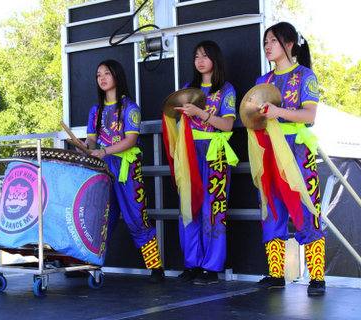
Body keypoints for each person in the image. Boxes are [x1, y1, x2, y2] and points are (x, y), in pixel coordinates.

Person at [248, 22, 326, 296]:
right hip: (269, 150)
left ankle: (317, 277)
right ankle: (275, 274)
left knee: (306, 207)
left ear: (290, 44)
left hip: (297, 153)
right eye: (265, 42)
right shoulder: (262, 81)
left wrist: (278, 112)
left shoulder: (306, 76)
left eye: (273, 41)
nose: (267, 46)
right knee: (271, 207)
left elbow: (309, 116)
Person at [164, 40, 238, 285]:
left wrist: (200, 114)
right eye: (196, 56)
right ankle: (192, 263)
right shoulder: (188, 89)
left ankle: (211, 267)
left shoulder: (226, 89)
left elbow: (227, 125)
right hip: (189, 153)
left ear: (215, 59)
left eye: (205, 55)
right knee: (189, 206)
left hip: (214, 153)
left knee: (212, 209)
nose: (200, 60)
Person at [85, 59, 165, 283]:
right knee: (99, 216)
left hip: (127, 168)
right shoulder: (95, 111)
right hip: (103, 168)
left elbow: (131, 140)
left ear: (117, 77)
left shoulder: (130, 107)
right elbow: (92, 141)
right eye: (98, 74)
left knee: (136, 214)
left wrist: (105, 151)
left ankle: (156, 266)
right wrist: (87, 148)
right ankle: (91, 263)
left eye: (106, 74)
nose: (101, 78)